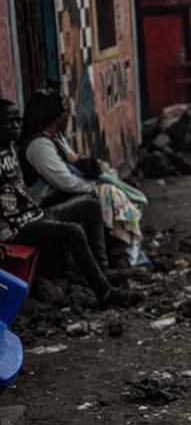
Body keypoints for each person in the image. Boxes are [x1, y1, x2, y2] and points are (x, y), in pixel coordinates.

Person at [0, 99, 139, 306]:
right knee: (72, 231)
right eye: (8, 122)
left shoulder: (10, 147)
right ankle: (105, 293)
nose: (15, 126)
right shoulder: (30, 146)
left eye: (18, 121)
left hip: (33, 214)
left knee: (91, 206)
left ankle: (102, 270)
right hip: (15, 228)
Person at [19, 88, 145, 267]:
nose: (69, 117)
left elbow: (73, 159)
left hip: (58, 196)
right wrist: (93, 186)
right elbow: (65, 182)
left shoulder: (55, 139)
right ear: (58, 116)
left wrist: (87, 165)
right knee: (106, 195)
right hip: (44, 203)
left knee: (109, 191)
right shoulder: (39, 145)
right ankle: (112, 257)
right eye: (66, 113)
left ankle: (117, 253)